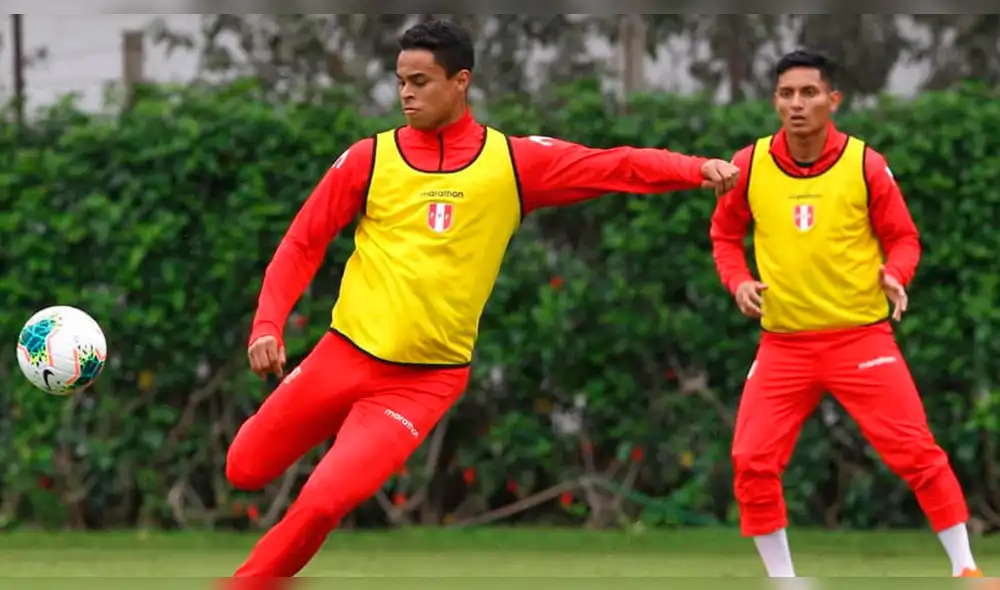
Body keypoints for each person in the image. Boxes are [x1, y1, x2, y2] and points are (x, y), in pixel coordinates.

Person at [225, 19, 739, 582]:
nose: (406, 93)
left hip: (422, 383)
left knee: (324, 502)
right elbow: (302, 242)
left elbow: (612, 166)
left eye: (421, 81)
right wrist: (267, 325)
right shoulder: (369, 160)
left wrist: (695, 169)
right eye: (401, 81)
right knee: (244, 469)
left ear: (460, 81)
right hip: (341, 355)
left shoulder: (512, 164)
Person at [710, 49, 982, 579]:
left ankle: (966, 570)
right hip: (783, 344)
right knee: (750, 459)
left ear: (833, 100)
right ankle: (783, 578)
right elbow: (724, 235)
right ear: (774, 101)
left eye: (809, 93)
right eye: (786, 94)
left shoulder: (866, 164)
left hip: (861, 340)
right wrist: (738, 281)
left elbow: (904, 238)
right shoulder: (748, 164)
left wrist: (895, 275)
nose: (797, 104)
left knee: (917, 453)